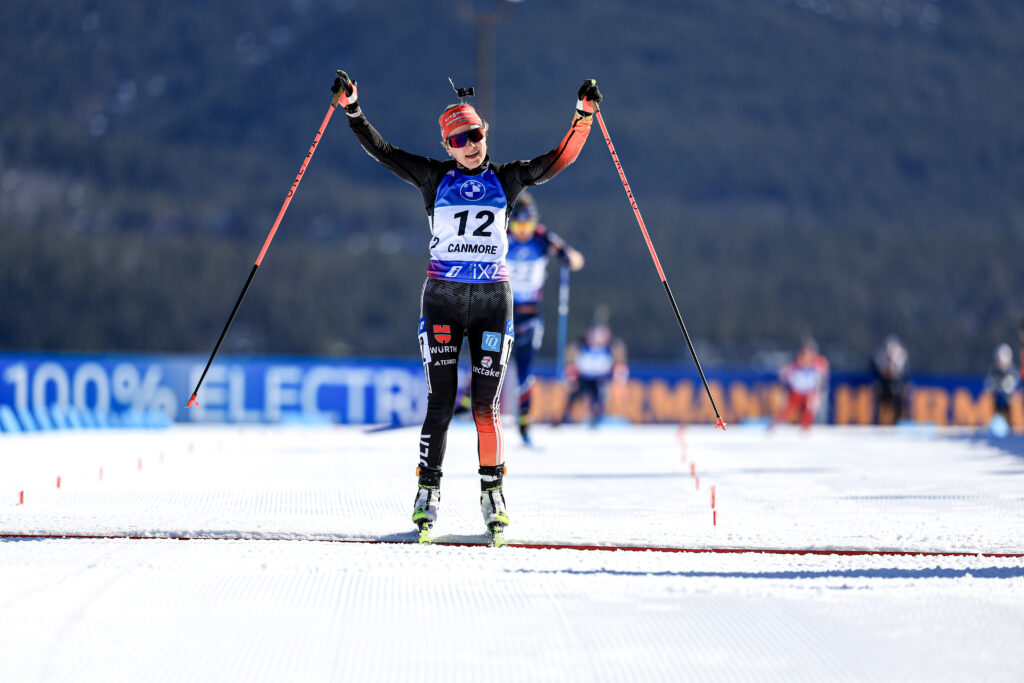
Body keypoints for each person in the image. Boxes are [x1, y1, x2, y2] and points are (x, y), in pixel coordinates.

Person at [332, 71, 602, 544]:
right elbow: (384, 151)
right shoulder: (434, 177)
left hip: (493, 303)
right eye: (459, 139)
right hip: (443, 300)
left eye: (475, 135)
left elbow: (558, 160)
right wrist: (353, 109)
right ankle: (427, 494)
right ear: (447, 144)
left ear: (485, 134)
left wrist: (582, 118)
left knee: (484, 407)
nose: (469, 145)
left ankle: (493, 495)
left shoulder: (508, 178)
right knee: (439, 403)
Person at [506, 190, 584, 445]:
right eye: (518, 224)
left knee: (525, 368)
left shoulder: (541, 237)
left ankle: (525, 421)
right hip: (501, 308)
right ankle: (468, 403)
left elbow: (574, 257)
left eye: (527, 224)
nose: (522, 230)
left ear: (534, 221)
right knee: (490, 360)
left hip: (529, 312)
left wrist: (570, 259)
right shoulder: (502, 235)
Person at [558, 321, 628, 427]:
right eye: (593, 335)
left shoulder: (611, 346)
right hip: (583, 377)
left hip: (600, 378)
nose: (596, 338)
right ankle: (564, 417)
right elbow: (570, 356)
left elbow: (619, 359)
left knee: (599, 398)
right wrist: (571, 374)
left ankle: (596, 418)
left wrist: (618, 376)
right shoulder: (580, 344)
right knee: (573, 396)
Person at [770, 338, 830, 431]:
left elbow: (823, 377)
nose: (806, 356)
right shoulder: (793, 364)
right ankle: (774, 426)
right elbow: (783, 376)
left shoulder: (819, 363)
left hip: (809, 392)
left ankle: (805, 428)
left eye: (809, 353)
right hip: (795, 392)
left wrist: (819, 387)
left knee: (809, 409)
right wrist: (786, 384)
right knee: (786, 409)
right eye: (804, 353)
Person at [871, 334, 909, 425]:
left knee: (897, 404)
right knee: (883, 404)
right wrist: (883, 372)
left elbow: (904, 368)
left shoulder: (900, 354)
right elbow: (875, 365)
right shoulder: (880, 353)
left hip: (896, 382)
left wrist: (896, 374)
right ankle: (880, 422)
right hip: (884, 382)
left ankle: (897, 422)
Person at [985, 342, 1018, 426]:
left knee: (1008, 416)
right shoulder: (994, 371)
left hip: (1007, 401)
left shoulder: (1012, 372)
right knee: (997, 417)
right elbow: (988, 384)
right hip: (997, 401)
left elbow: (1014, 384)